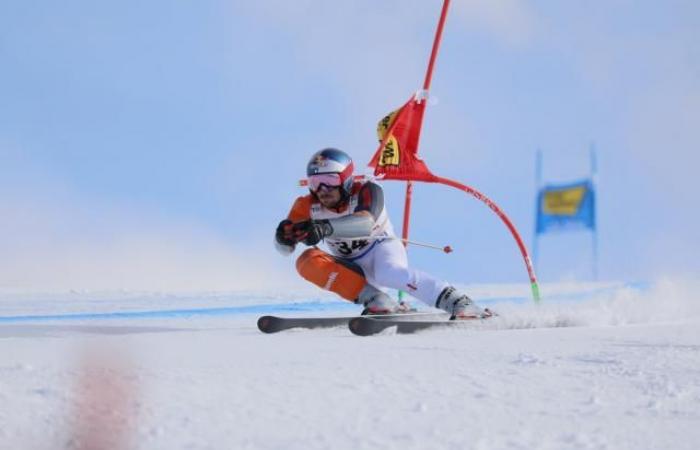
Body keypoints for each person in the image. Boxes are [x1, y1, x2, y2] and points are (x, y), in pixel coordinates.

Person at [274, 147, 491, 320]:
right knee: (306, 262)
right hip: (350, 266)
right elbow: (284, 250)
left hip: (380, 250)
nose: (322, 190)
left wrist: (324, 228)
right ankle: (377, 300)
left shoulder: (367, 190)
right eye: (315, 183)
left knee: (389, 273)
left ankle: (458, 302)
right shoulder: (306, 205)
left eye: (330, 181)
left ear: (346, 179)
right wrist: (284, 238)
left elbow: (365, 223)